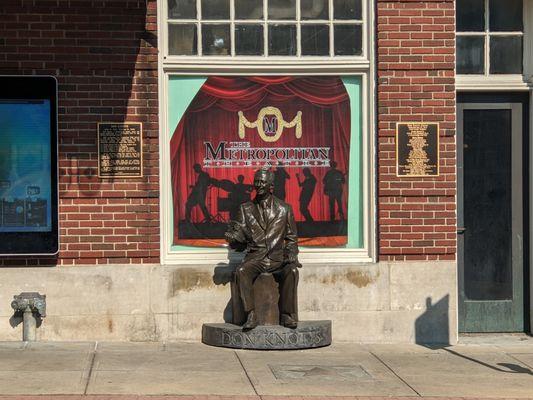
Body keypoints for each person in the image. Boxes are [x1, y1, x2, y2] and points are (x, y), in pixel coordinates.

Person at [225, 168, 301, 330]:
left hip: (277, 258)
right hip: (256, 258)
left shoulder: (284, 209)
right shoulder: (245, 209)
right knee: (241, 271)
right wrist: (233, 240)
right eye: (256, 181)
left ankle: (287, 315)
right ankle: (251, 314)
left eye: (262, 182)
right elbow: (239, 241)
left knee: (292, 271)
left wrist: (291, 253)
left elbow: (292, 239)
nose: (258, 185)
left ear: (271, 186)